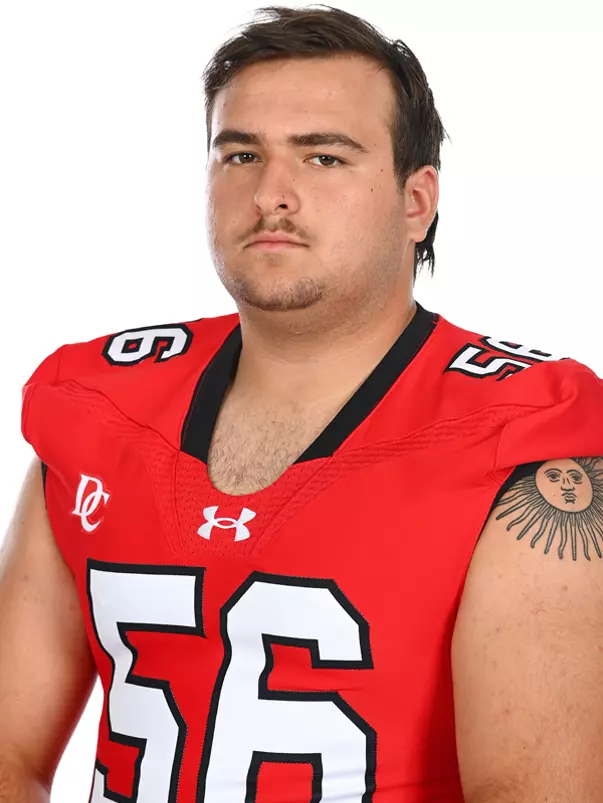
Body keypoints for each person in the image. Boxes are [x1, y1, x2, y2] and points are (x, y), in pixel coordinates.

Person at [1, 5, 602, 802]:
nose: (271, 194)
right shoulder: (99, 403)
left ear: (415, 199)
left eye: (323, 157)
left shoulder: (523, 434)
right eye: (241, 153)